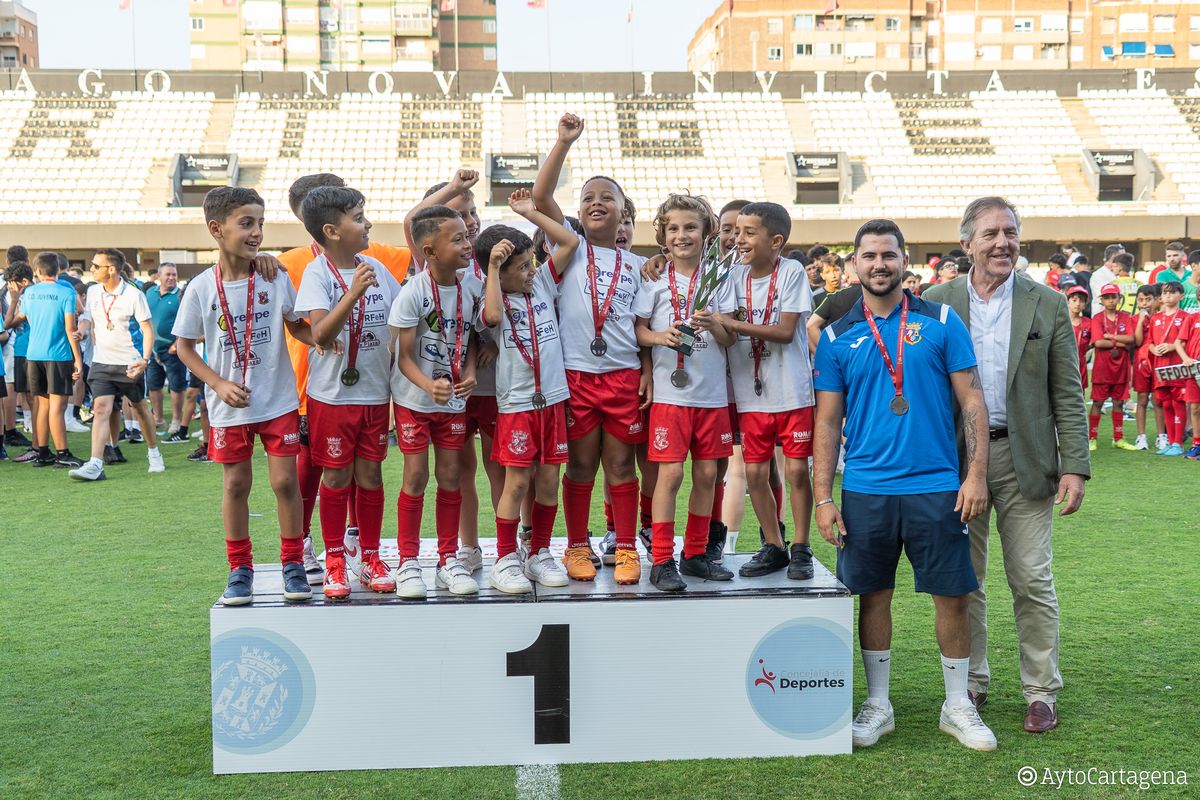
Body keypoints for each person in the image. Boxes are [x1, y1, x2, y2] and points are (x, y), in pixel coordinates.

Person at [813, 218, 994, 751]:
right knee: (872, 595)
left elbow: (972, 400)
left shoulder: (941, 321)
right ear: (854, 264)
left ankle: (957, 704)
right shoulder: (836, 335)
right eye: (869, 256)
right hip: (866, 488)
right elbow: (827, 422)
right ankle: (879, 704)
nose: (879, 264)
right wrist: (823, 496)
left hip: (936, 485)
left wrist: (975, 474)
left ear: (904, 260)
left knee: (952, 595)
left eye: (888, 255)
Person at [923, 197, 1090, 735]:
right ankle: (971, 681)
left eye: (1010, 232)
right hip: (956, 461)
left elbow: (1067, 391)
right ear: (966, 242)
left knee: (1032, 579)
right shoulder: (935, 301)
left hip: (1028, 461)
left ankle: (1040, 691)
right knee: (964, 580)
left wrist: (1075, 465)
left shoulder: (1048, 303)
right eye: (991, 233)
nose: (1003, 243)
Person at [171, 186, 314, 607]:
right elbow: (184, 347)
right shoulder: (201, 287)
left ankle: (293, 564)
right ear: (216, 229)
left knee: (285, 481)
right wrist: (218, 383)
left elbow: (296, 325)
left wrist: (323, 338)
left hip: (278, 399)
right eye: (247, 223)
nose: (257, 232)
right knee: (235, 484)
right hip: (227, 406)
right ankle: (239, 569)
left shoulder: (274, 275)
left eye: (261, 223)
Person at [277, 172, 414, 583]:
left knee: (370, 476)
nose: (368, 223)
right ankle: (334, 560)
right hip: (331, 397)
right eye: (358, 218)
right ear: (332, 231)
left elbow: (401, 315)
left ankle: (369, 556)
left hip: (374, 394)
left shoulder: (375, 267)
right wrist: (352, 294)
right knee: (335, 476)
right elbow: (319, 333)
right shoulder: (318, 273)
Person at [531, 113, 649, 585]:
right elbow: (541, 197)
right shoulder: (570, 246)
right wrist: (563, 142)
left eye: (607, 198)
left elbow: (641, 325)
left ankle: (625, 547)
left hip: (622, 376)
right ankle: (577, 545)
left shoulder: (640, 266)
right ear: (578, 214)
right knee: (580, 465)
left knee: (620, 465)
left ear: (623, 213)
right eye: (587, 198)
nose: (596, 203)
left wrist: (646, 370)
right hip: (576, 375)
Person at [634, 193, 737, 592]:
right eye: (673, 228)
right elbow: (639, 330)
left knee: (708, 473)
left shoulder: (721, 279)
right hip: (670, 396)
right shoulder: (655, 279)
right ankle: (661, 559)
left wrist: (716, 325)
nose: (682, 235)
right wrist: (661, 337)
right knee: (672, 473)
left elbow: (730, 339)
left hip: (711, 395)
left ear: (706, 232)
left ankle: (695, 554)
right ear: (663, 236)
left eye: (690, 227)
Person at [478, 191, 579, 593]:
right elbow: (491, 317)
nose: (530, 272)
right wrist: (492, 268)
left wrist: (529, 213)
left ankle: (539, 552)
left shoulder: (543, 285)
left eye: (530, 263)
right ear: (499, 274)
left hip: (553, 399)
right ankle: (505, 559)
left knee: (549, 480)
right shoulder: (493, 297)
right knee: (517, 483)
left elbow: (569, 241)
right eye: (520, 268)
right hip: (517, 403)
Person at [405, 171, 502, 575]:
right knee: (460, 471)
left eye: (473, 212)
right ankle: (469, 547)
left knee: (501, 468)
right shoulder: (434, 262)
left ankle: (513, 546)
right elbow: (412, 221)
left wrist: (488, 343)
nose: (471, 222)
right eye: (461, 216)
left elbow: (491, 319)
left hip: (492, 384)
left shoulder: (489, 256)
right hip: (451, 391)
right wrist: (454, 188)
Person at [388, 205, 482, 599]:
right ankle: (408, 562)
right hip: (415, 399)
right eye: (457, 239)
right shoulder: (413, 292)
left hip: (453, 401)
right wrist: (429, 386)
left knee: (451, 475)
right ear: (429, 251)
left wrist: (470, 371)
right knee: (415, 476)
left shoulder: (471, 287)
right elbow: (403, 357)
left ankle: (447, 560)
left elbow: (472, 339)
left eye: (467, 236)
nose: (467, 243)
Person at [725, 201, 815, 579]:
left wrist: (732, 324)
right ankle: (775, 546)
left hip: (793, 391)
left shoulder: (792, 271)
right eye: (737, 232)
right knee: (755, 474)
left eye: (749, 233)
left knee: (796, 471)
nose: (739, 239)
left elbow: (785, 331)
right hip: (752, 395)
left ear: (775, 241)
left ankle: (802, 547)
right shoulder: (732, 276)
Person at [68, 249, 165, 481]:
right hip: (101, 362)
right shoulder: (93, 291)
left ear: (111, 269)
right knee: (101, 408)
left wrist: (145, 360)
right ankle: (95, 464)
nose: (91, 269)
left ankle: (154, 453)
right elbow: (87, 318)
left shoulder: (134, 295)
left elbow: (147, 329)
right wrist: (81, 331)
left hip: (129, 363)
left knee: (140, 408)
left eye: (96, 265)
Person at [11, 252, 84, 468]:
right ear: (58, 269)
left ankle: (42, 453)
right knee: (57, 407)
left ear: (37, 271)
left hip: (33, 355)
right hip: (58, 355)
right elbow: (70, 328)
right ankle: (62, 454)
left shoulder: (30, 292)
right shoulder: (66, 292)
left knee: (42, 405)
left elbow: (22, 318)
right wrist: (78, 359)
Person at [1088, 283, 1138, 451]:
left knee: (1119, 403)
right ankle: (1092, 438)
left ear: (1119, 298)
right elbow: (1098, 342)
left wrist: (1111, 337)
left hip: (1121, 369)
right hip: (1102, 369)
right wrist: (1120, 343)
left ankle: (1118, 438)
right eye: (1106, 298)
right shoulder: (1097, 318)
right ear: (1102, 300)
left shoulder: (1125, 317)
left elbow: (1131, 339)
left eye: (1113, 297)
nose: (1110, 300)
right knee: (1098, 403)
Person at [145, 262, 191, 442]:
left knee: (176, 386)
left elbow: (188, 322)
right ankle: (158, 418)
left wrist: (177, 344)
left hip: (173, 349)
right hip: (152, 348)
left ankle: (176, 420)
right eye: (168, 274)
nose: (172, 278)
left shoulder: (181, 296)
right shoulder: (150, 293)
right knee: (153, 385)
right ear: (159, 276)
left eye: (174, 274)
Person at [1146, 281, 1190, 456]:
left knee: (1177, 402)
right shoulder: (1155, 318)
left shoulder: (1186, 317)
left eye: (1172, 293)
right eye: (1165, 293)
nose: (1168, 296)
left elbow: (1188, 342)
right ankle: (1170, 442)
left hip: (1177, 367)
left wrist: (1172, 346)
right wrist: (1153, 349)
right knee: (1165, 404)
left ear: (1181, 296)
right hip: (1160, 367)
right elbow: (1149, 342)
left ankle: (1178, 443)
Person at [3, 261, 33, 448]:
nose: (9, 287)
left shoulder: (30, 295)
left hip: (28, 349)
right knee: (28, 395)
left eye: (11, 283)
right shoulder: (13, 294)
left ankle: (39, 444)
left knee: (34, 396)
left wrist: (14, 301)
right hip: (22, 349)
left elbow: (8, 323)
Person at [1131, 284, 1164, 451]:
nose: (1144, 303)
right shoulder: (1134, 319)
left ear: (1156, 300)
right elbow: (1137, 341)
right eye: (1141, 300)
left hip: (1158, 360)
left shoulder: (1160, 318)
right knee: (1142, 399)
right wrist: (1140, 320)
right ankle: (1141, 436)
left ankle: (1161, 436)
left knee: (1158, 400)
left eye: (1148, 299)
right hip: (1141, 362)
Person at [1152, 241, 1197, 310]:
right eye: (1169, 256)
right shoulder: (1162, 275)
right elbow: (1163, 297)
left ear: (1183, 256)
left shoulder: (1191, 274)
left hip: (1191, 312)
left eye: (1175, 255)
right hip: (1171, 312)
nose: (1172, 259)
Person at [1066, 286, 1092, 389]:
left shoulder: (1088, 323)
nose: (1077, 304)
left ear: (1085, 304)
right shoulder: (1060, 320)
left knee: (1080, 393)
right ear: (1068, 301)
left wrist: (1084, 348)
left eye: (1081, 301)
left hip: (1080, 364)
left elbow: (1096, 340)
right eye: (1074, 300)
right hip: (1063, 363)